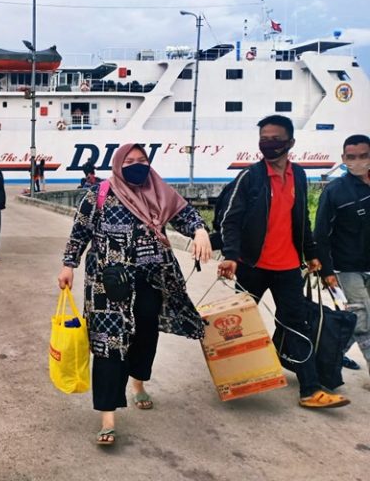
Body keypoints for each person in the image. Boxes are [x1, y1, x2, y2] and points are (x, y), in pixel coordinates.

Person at [57, 143, 212, 446]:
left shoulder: (159, 191)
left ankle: (138, 382)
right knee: (108, 346)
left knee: (144, 335)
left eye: (143, 160)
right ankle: (107, 418)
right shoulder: (99, 193)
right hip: (108, 286)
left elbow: (186, 216)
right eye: (130, 161)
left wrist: (200, 231)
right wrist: (68, 265)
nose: (138, 165)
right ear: (118, 163)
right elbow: (79, 233)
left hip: (150, 280)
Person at [217, 115, 350, 409]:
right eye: (264, 138)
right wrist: (230, 255)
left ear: (290, 143)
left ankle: (310, 390)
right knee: (240, 326)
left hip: (289, 266)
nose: (269, 144)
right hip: (252, 265)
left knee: (297, 324)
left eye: (275, 139)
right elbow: (230, 219)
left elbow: (301, 218)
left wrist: (311, 253)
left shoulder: (299, 176)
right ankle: (236, 379)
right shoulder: (249, 177)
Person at [314, 134, 370, 375]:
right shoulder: (336, 191)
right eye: (351, 157)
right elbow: (321, 234)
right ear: (343, 159)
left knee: (355, 319)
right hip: (347, 269)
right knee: (363, 319)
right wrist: (326, 271)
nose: (357, 161)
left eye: (363, 156)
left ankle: (326, 358)